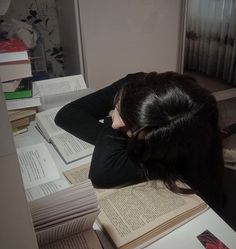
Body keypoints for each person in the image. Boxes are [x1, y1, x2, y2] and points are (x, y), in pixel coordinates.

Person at [55, 71, 225, 215]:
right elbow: (67, 115)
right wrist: (121, 124)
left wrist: (112, 122)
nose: (116, 124)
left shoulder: (173, 139)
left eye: (128, 128)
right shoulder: (134, 85)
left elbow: (102, 174)